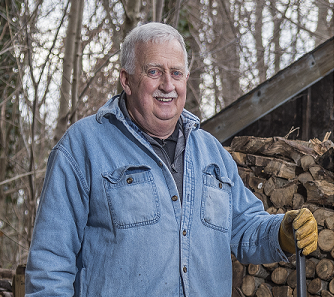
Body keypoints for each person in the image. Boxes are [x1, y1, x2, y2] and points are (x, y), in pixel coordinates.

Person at [25, 22, 318, 296]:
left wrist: (281, 232)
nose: (168, 84)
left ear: (186, 79)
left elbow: (244, 227)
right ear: (126, 80)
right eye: (154, 72)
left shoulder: (211, 154)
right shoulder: (82, 146)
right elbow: (50, 263)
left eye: (176, 73)